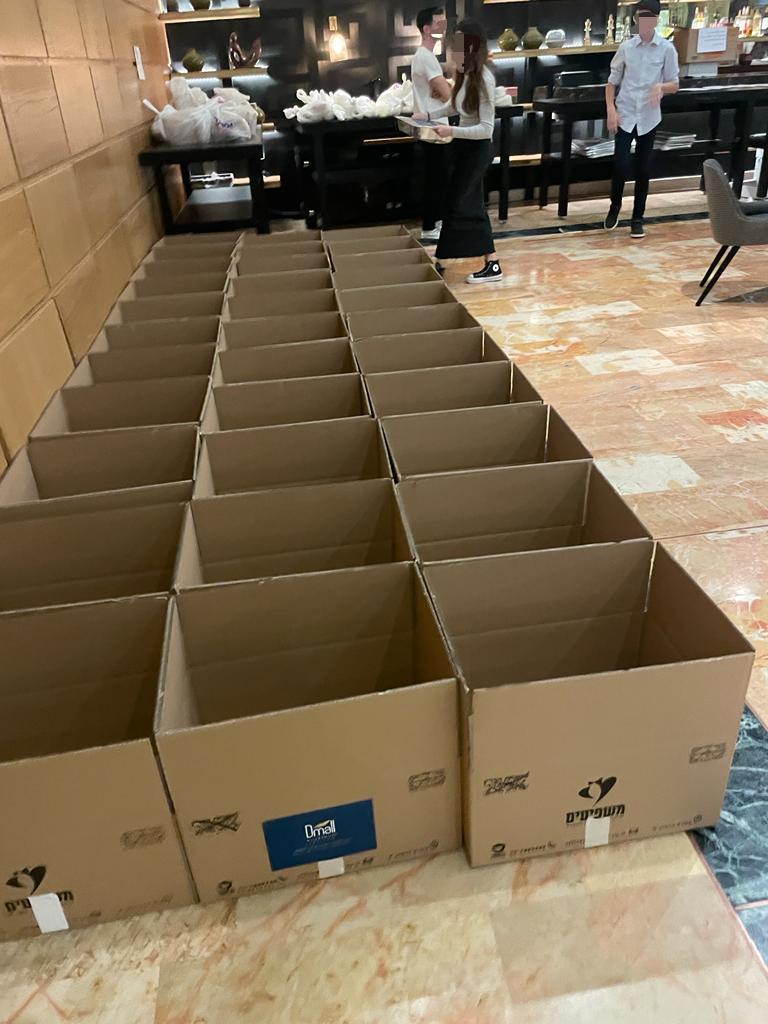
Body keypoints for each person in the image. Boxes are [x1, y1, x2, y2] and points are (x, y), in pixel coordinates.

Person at [427, 18, 502, 284]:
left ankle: (492, 263)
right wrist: (427, 116)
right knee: (455, 202)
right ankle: (442, 259)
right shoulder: (466, 75)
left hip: (477, 150)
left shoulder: (484, 78)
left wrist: (451, 131)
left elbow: (485, 129)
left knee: (466, 204)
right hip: (463, 149)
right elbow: (454, 107)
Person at [604, 0, 680, 239]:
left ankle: (638, 218)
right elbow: (611, 82)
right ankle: (615, 206)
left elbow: (675, 84)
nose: (642, 22)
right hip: (625, 112)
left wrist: (661, 87)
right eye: (638, 18)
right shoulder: (627, 47)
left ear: (656, 19)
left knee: (643, 168)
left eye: (646, 17)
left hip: (649, 116)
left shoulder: (667, 49)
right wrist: (611, 110)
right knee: (620, 163)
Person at [412, 7, 452, 242]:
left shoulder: (424, 57)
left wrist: (445, 86)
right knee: (436, 179)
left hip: (432, 125)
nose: (443, 28)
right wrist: (447, 87)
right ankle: (431, 226)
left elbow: (442, 91)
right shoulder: (426, 58)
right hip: (434, 127)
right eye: (439, 24)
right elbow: (447, 95)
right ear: (427, 29)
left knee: (436, 178)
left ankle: (434, 224)